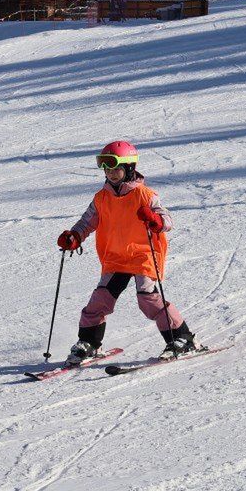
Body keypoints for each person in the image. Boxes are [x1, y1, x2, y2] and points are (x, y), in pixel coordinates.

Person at [56, 141, 198, 365]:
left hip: (143, 256)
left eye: (116, 169)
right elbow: (86, 222)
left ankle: (181, 338)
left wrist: (155, 220)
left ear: (129, 167)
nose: (111, 174)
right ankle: (89, 343)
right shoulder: (101, 198)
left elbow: (167, 221)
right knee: (100, 300)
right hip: (115, 257)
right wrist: (74, 236)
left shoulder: (145, 195)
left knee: (147, 299)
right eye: (107, 169)